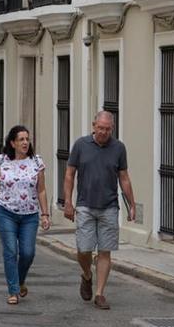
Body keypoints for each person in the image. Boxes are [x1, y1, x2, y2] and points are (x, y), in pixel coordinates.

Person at [63, 111, 136, 310]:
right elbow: (70, 174)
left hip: (109, 207)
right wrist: (68, 202)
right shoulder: (80, 145)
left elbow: (124, 177)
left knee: (105, 251)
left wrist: (132, 205)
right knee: (83, 250)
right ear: (94, 125)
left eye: (107, 129)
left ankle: (99, 293)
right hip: (85, 205)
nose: (104, 132)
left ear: (112, 129)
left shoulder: (119, 148)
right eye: (100, 128)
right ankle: (87, 274)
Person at [0, 125, 51, 305]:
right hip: (6, 213)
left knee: (28, 253)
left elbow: (41, 190)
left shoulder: (36, 162)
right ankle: (13, 290)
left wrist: (45, 214)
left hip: (30, 215)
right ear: (12, 143)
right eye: (21, 139)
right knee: (10, 251)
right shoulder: (1, 161)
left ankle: (20, 280)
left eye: (27, 139)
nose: (25, 142)